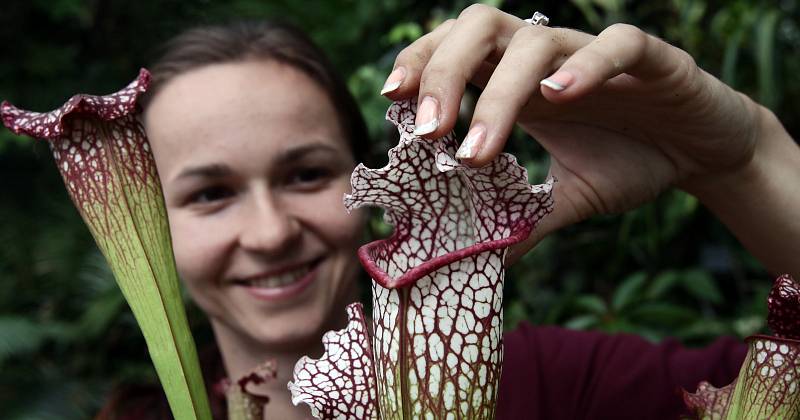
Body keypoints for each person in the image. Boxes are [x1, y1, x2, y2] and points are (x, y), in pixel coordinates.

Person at [101, 4, 800, 419]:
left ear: (367, 179)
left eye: (307, 173)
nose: (271, 231)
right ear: (151, 225)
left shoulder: (558, 388)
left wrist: (744, 162)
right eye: (210, 193)